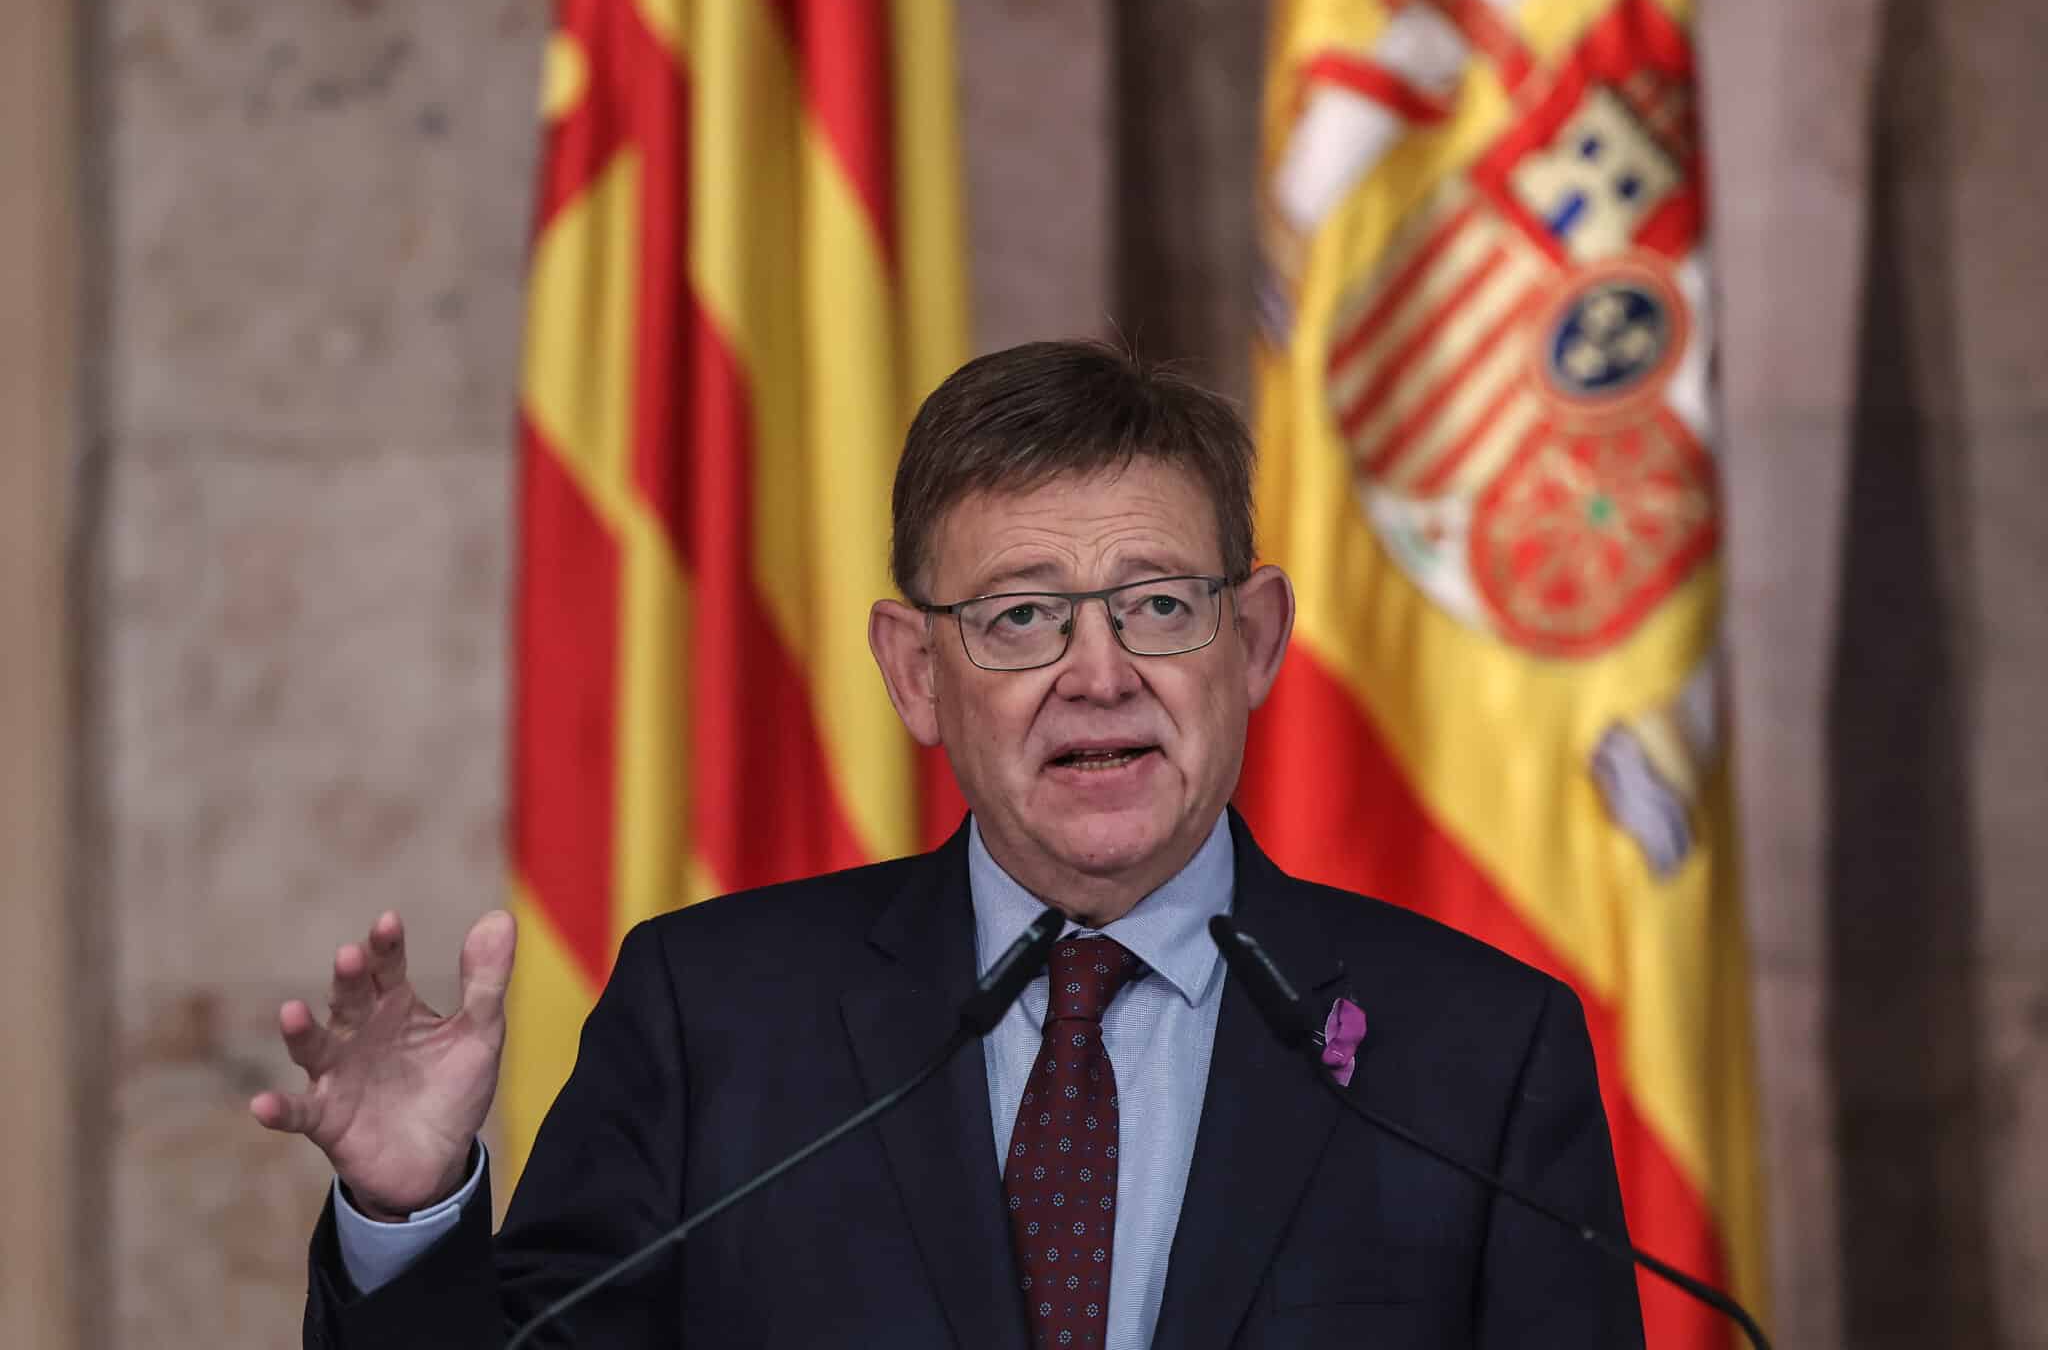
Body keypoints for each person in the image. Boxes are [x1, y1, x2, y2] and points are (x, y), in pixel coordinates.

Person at [259, 340, 1644, 1348]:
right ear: (917, 673)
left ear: (1256, 641)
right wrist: (414, 1218)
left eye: (1159, 605)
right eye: (1021, 618)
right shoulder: (719, 1016)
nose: (1100, 674)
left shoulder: (1475, 1053)